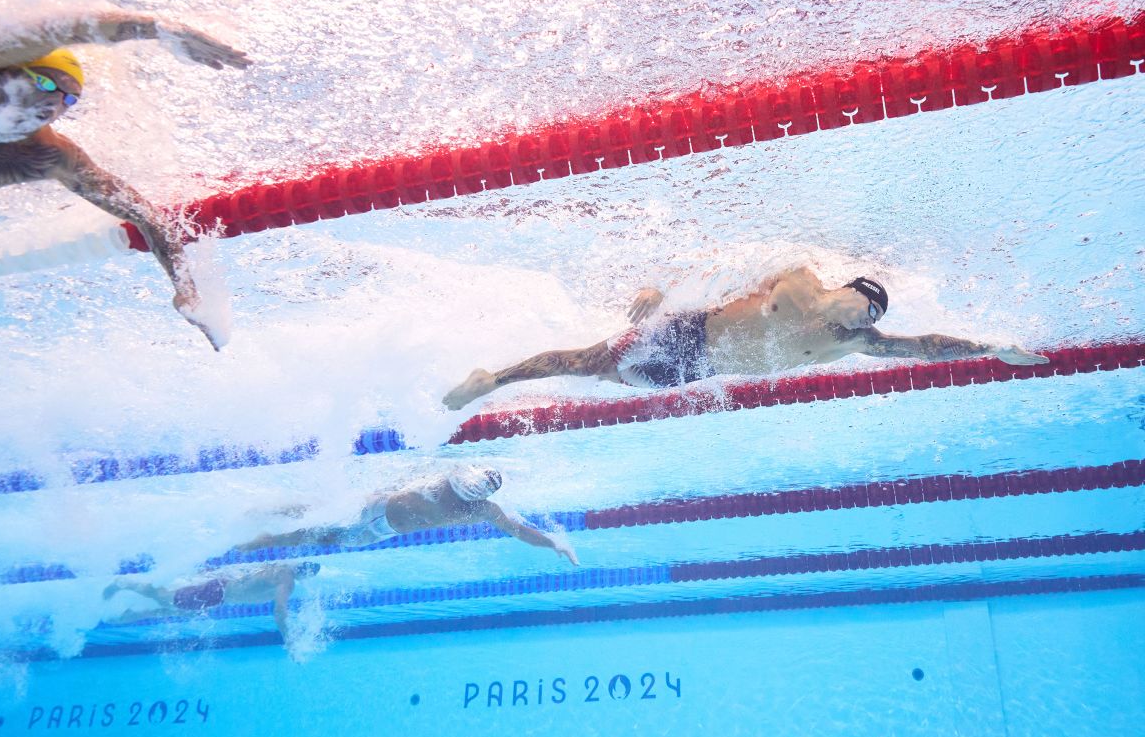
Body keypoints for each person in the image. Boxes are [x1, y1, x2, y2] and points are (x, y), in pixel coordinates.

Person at [0, 12, 251, 349]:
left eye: (69, 100)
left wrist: (185, 288)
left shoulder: (47, 156)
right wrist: (159, 29)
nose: (54, 104)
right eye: (48, 84)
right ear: (5, 70)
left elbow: (147, 217)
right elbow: (62, 29)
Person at [443, 267, 1049, 409]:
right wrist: (663, 287)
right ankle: (490, 380)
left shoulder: (854, 343)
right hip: (685, 332)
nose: (872, 326)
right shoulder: (797, 280)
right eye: (870, 313)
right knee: (581, 360)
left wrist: (992, 348)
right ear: (857, 293)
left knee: (595, 372)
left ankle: (495, 381)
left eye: (873, 321)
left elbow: (924, 347)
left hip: (691, 373)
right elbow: (724, 268)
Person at [234, 466, 580, 565]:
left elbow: (518, 530)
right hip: (375, 506)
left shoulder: (483, 510)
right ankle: (264, 510)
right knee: (317, 511)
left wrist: (554, 544)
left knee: (320, 534)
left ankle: (260, 541)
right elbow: (403, 477)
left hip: (381, 529)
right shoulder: (445, 481)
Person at [103, 560, 320, 646]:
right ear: (307, 574)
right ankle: (125, 583)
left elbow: (245, 578)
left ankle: (135, 614)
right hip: (216, 593)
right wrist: (289, 638)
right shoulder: (287, 579)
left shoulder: (278, 568)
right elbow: (280, 610)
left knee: (182, 612)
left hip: (218, 593)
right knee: (162, 596)